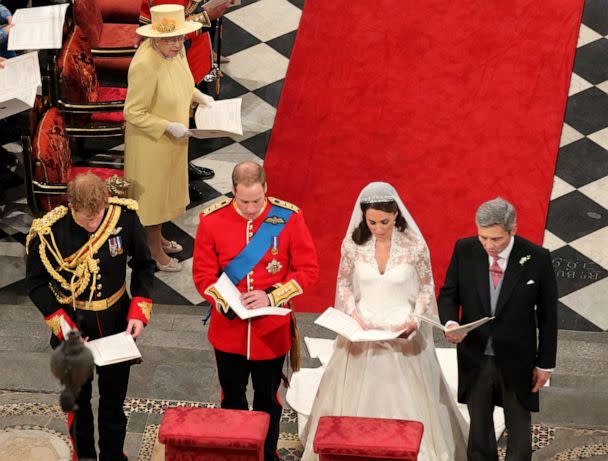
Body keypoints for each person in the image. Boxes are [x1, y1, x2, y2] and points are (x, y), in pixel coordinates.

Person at [301, 182, 468, 461]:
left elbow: (427, 287)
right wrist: (353, 314)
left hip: (402, 329)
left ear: (396, 216)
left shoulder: (413, 246)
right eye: (372, 222)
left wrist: (415, 320)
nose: (378, 228)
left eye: (385, 222)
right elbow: (343, 282)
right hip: (363, 328)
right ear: (363, 217)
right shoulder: (354, 244)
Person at [193, 161, 319, 461]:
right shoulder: (212, 221)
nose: (251, 209)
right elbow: (203, 275)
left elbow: (307, 270)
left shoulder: (288, 218)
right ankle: (236, 453)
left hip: (270, 333)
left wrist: (273, 296)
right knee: (232, 398)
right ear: (232, 192)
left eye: (257, 201)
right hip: (229, 332)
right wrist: (227, 302)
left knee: (268, 401)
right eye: (244, 201)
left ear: (266, 189)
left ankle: (266, 454)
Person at [25, 172, 155, 461]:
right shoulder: (50, 231)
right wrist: (66, 330)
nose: (95, 225)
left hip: (117, 325)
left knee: (113, 404)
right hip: (74, 327)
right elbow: (35, 284)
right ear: (72, 206)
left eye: (98, 217)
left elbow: (144, 266)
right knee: (79, 406)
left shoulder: (124, 217)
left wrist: (139, 311)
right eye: (87, 220)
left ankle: (112, 456)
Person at [438, 197, 558, 461]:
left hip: (518, 358)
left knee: (519, 429)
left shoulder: (537, 258)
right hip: (475, 355)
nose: (489, 246)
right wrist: (450, 323)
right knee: (479, 431)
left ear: (513, 229)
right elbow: (449, 295)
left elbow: (549, 316)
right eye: (483, 238)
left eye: (496, 239)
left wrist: (545, 364)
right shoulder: (465, 250)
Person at [124, 4, 214, 272]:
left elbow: (184, 82)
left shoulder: (176, 51)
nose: (178, 44)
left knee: (166, 193)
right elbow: (132, 112)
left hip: (174, 138)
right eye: (171, 39)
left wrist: (199, 97)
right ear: (155, 38)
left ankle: (158, 237)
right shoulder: (144, 65)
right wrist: (166, 126)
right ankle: (152, 250)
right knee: (153, 197)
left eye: (180, 37)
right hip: (150, 142)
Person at [139, 0, 229, 198]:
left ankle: (183, 168)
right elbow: (166, 34)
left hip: (189, 57)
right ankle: (174, 183)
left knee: (186, 122)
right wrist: (206, 16)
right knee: (173, 127)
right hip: (171, 58)